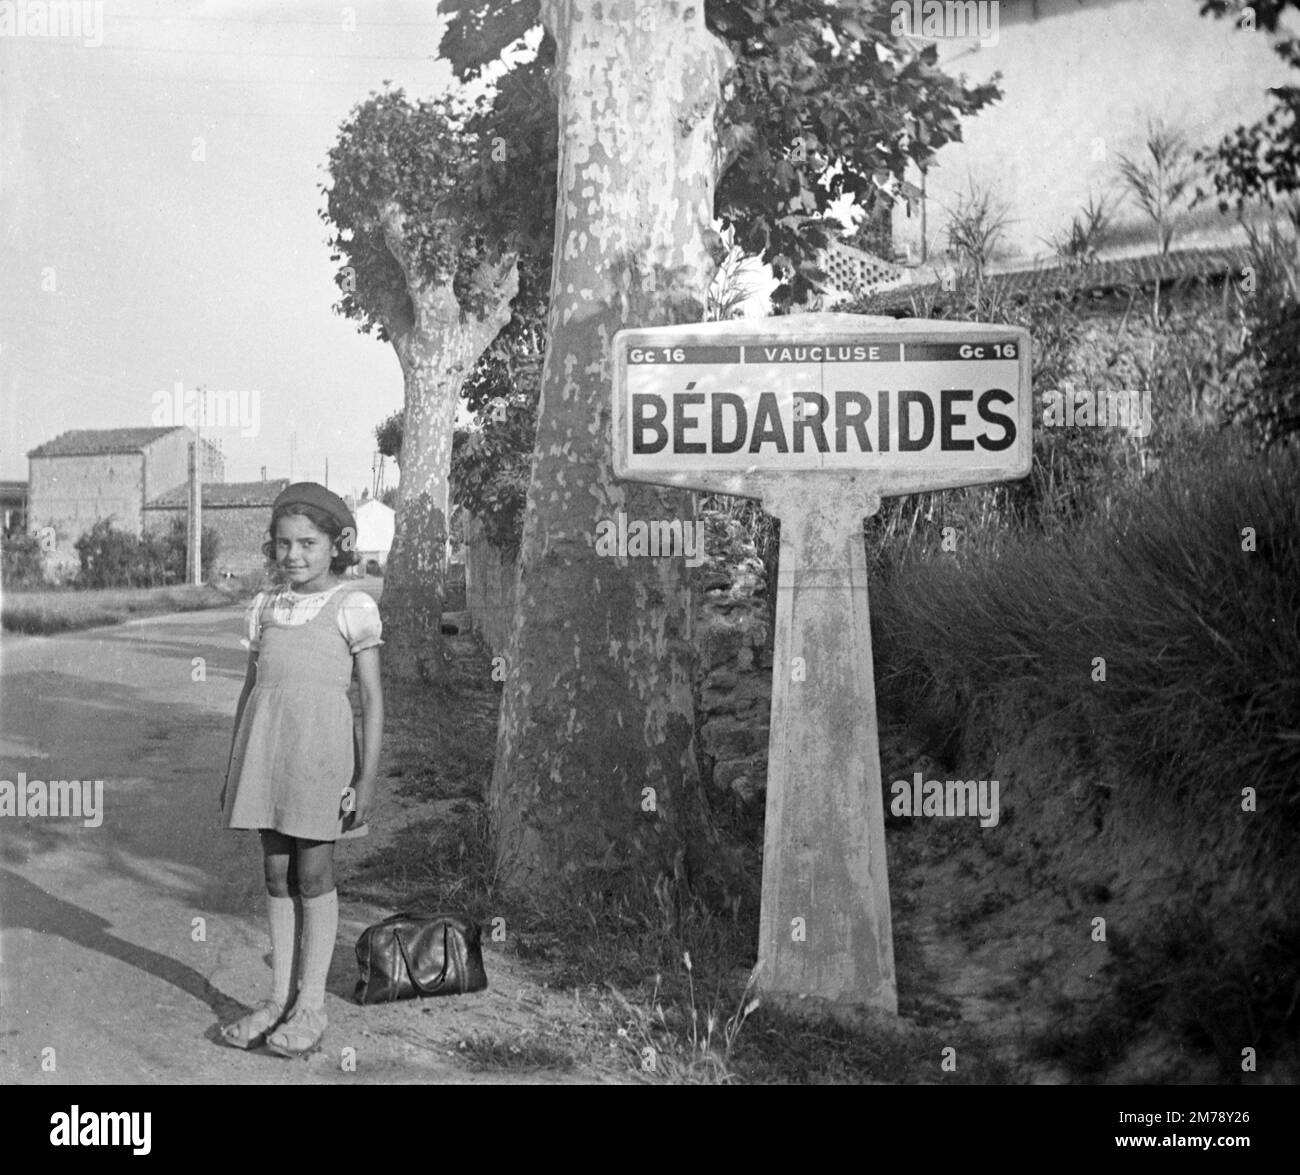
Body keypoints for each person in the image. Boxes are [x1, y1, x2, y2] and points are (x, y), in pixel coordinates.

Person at [218, 482, 384, 1058]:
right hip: (268, 758)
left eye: (307, 543)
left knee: (313, 876)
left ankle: (310, 1004)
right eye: (283, 544)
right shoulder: (264, 607)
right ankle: (276, 998)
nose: (293, 555)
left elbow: (372, 701)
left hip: (321, 762)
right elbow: (249, 691)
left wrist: (365, 781)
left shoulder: (353, 606)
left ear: (337, 544)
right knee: (275, 874)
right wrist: (237, 766)